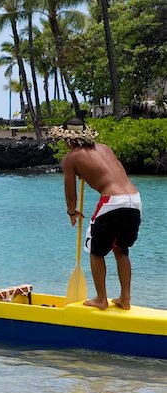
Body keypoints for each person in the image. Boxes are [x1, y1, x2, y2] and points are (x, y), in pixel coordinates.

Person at [49, 118, 141, 310]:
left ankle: (101, 299)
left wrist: (72, 211)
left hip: (112, 201)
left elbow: (70, 190)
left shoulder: (71, 157)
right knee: (121, 249)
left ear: (68, 140)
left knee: (95, 251)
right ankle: (125, 298)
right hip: (134, 199)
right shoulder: (105, 148)